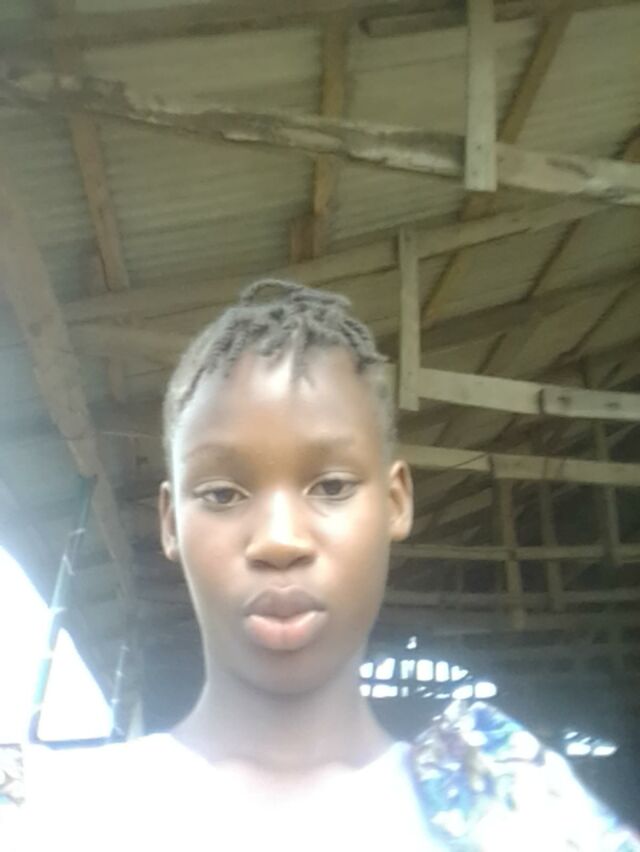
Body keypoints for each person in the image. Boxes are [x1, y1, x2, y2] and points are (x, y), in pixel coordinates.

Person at [3, 279, 639, 851]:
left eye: (331, 486)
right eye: (222, 494)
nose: (279, 540)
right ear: (170, 523)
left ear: (395, 502)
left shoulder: (521, 816)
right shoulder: (51, 817)